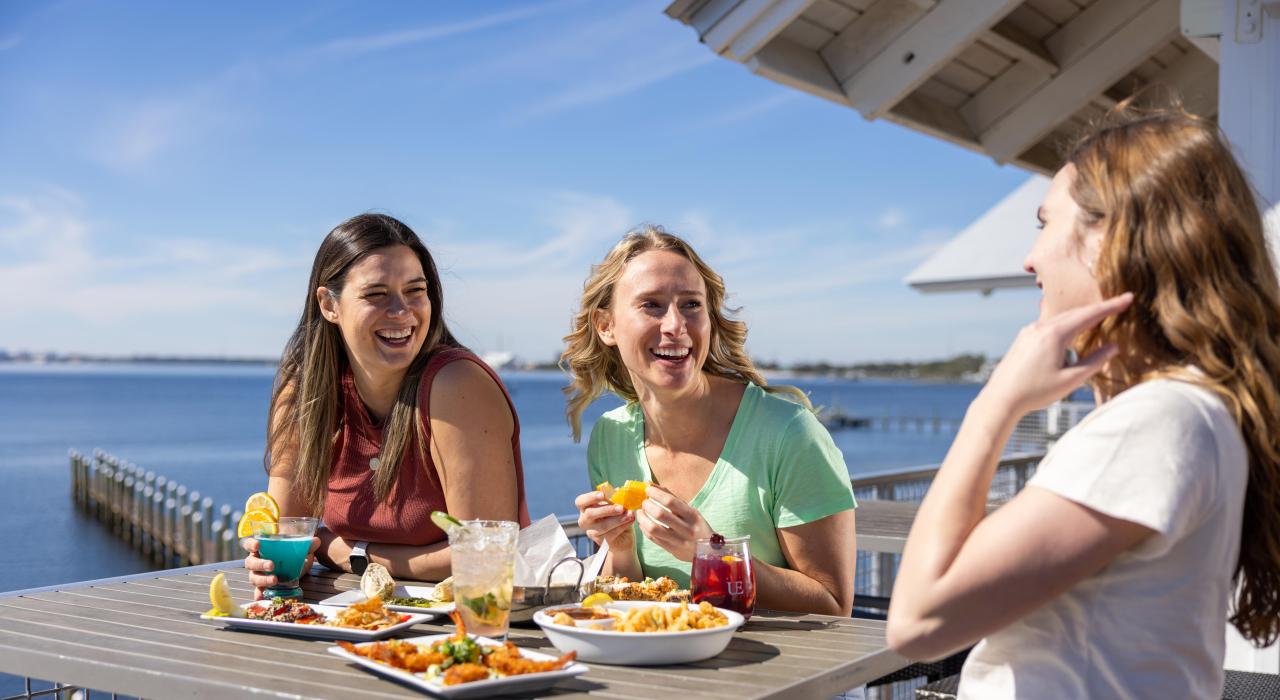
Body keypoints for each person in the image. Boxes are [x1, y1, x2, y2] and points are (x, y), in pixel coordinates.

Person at [886, 107, 1280, 698]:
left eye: (1044, 224)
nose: (1030, 258)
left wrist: (993, 406)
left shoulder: (1158, 421)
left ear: (1110, 238)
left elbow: (918, 623)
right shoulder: (1188, 410)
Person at [565, 226, 858, 616]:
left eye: (691, 305)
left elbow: (833, 604)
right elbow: (635, 596)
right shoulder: (610, 436)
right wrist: (618, 547)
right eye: (651, 304)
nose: (675, 325)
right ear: (606, 326)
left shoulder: (788, 433)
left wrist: (714, 556)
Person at [245, 213, 530, 596]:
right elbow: (288, 536)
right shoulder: (304, 392)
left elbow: (486, 557)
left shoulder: (457, 384)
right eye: (376, 294)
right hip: (340, 619)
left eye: (415, 290)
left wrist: (353, 554)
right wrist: (267, 562)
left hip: (466, 623)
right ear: (329, 304)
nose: (401, 311)